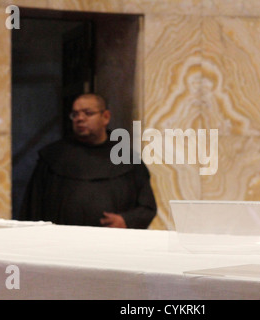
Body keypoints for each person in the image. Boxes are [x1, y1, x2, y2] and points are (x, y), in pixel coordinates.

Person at [19, 93, 157, 229]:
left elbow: (147, 207)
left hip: (112, 243)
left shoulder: (127, 158)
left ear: (106, 117)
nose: (80, 118)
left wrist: (126, 220)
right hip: (61, 243)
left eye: (88, 113)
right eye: (75, 114)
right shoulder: (53, 157)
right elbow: (32, 207)